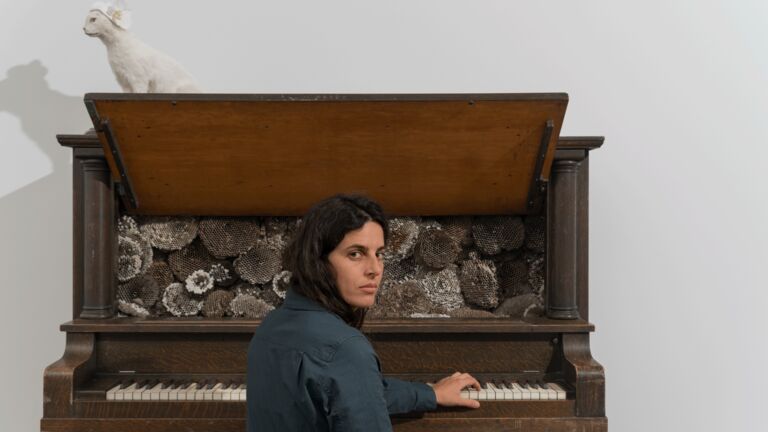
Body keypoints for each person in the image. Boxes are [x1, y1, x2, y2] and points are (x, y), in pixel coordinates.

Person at [246, 193, 481, 431]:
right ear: (317, 261)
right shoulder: (345, 349)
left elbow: (349, 392)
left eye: (378, 253)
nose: (374, 269)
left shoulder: (270, 326)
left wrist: (429, 393)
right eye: (355, 254)